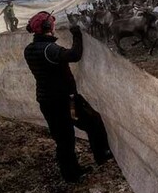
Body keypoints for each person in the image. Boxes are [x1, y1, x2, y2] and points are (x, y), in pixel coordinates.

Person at [23, 11, 113, 183]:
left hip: (46, 101)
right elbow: (74, 55)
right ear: (48, 27)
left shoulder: (30, 49)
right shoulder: (50, 49)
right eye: (52, 24)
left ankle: (72, 173)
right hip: (65, 101)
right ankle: (101, 155)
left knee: (63, 138)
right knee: (92, 122)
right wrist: (77, 34)